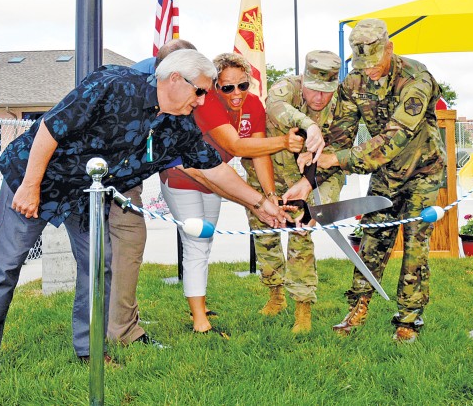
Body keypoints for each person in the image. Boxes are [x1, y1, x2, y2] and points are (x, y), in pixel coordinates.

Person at [0, 49, 289, 388]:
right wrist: (30, 186)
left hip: (85, 194)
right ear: (175, 79)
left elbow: (212, 170)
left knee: (98, 265)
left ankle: (89, 349)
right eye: (201, 91)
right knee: (3, 267)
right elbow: (51, 127)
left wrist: (258, 203)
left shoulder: (177, 124)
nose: (204, 100)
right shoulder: (114, 84)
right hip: (36, 177)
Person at [315, 18, 446, 343]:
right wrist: (320, 160)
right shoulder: (355, 82)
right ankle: (358, 306)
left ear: (389, 49)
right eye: (362, 64)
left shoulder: (416, 79)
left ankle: (409, 320)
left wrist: (340, 159)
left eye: (374, 63)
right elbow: (342, 133)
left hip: (423, 172)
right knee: (373, 240)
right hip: (385, 175)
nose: (369, 71)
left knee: (416, 245)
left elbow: (394, 138)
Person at [159, 52, 305, 335]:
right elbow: (236, 146)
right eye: (227, 87)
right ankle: (200, 321)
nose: (236, 93)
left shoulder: (252, 104)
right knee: (196, 244)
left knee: (206, 241)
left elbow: (259, 151)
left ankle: (199, 303)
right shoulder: (207, 102)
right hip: (184, 177)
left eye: (242, 85)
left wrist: (270, 193)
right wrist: (285, 142)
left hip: (217, 177)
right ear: (216, 86)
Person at [254, 50, 354, 333]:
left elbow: (337, 153)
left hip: (313, 176)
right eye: (314, 90)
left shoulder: (342, 106)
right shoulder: (285, 89)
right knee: (265, 234)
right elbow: (274, 106)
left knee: (301, 231)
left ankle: (303, 308)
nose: (320, 99)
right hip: (269, 172)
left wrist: (311, 184)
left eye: (327, 91)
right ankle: (275, 294)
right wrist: (309, 126)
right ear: (304, 79)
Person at [107, 38, 197, 347]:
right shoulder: (131, 84)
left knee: (129, 243)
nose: (197, 97)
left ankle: (123, 324)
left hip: (126, 175)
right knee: (110, 249)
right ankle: (117, 328)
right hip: (96, 176)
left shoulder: (180, 87)